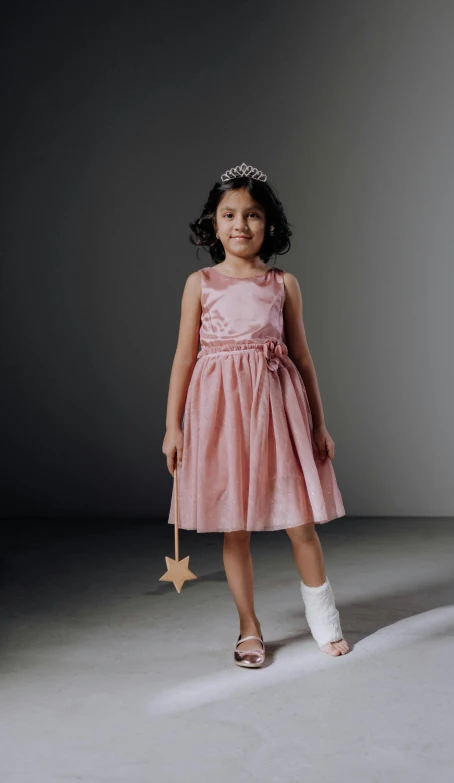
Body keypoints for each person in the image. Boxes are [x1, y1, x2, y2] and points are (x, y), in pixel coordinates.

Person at [162, 162, 349, 668]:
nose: (240, 224)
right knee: (234, 526)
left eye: (253, 215)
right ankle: (249, 627)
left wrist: (319, 422)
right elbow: (183, 357)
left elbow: (303, 357)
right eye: (229, 214)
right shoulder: (199, 283)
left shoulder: (282, 283)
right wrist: (172, 426)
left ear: (270, 225)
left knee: (300, 521)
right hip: (221, 413)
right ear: (213, 222)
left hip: (277, 409)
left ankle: (324, 621)